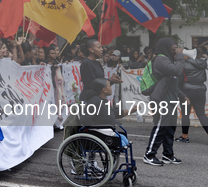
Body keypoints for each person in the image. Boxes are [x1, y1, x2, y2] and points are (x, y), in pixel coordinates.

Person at [143, 37, 189, 166]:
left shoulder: (168, 60)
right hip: (163, 100)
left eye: (176, 44)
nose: (175, 46)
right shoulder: (161, 59)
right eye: (173, 44)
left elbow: (171, 83)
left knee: (170, 129)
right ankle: (149, 154)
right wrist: (180, 56)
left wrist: (182, 95)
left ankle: (168, 155)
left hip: (171, 100)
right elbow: (177, 71)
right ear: (165, 46)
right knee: (161, 127)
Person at [80, 78, 135, 147]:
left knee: (124, 140)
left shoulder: (103, 100)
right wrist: (99, 127)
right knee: (122, 143)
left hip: (107, 131)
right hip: (100, 132)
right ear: (104, 90)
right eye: (109, 86)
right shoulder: (94, 101)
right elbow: (84, 119)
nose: (111, 88)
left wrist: (131, 110)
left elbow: (113, 113)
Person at [175, 48, 208, 143]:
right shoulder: (202, 64)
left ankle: (185, 137)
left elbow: (180, 80)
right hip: (200, 91)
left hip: (187, 92)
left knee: (185, 114)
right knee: (201, 114)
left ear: (186, 56)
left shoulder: (183, 65)